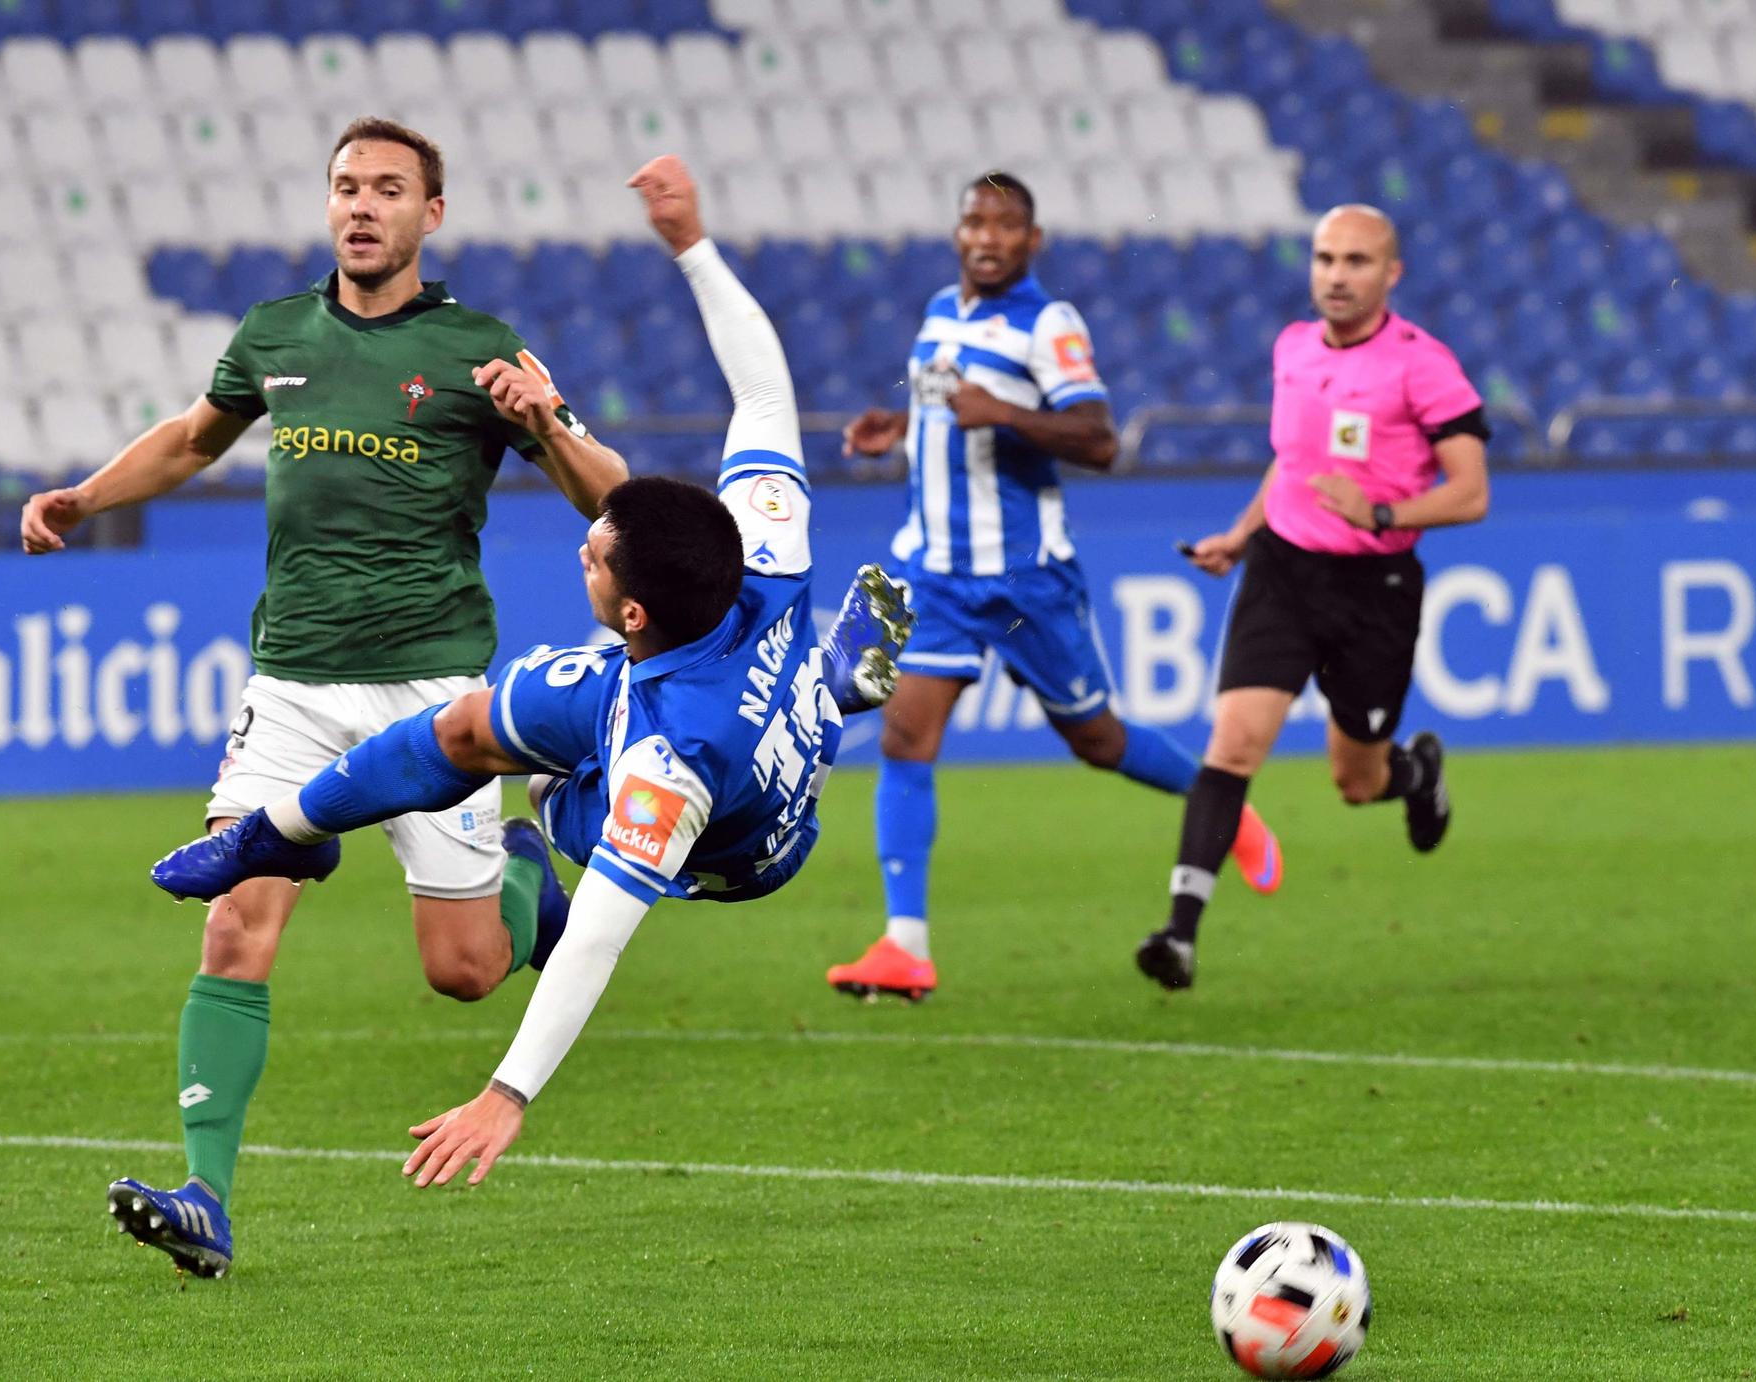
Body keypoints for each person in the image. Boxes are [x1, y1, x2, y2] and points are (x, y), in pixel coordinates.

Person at [120, 155, 912, 1268]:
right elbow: (766, 389)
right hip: (676, 674)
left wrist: (507, 1091)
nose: (581, 542)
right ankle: (262, 883)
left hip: (738, 833)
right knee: (470, 730)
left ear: (633, 610)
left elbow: (596, 940)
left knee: (540, 823)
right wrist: (692, 244)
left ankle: (824, 699)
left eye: (596, 556)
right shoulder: (763, 534)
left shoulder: (665, 765)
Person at [26, 118, 631, 1270]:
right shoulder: (273, 336)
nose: (361, 205)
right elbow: (193, 439)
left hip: (433, 690)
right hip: (294, 681)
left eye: (388, 189)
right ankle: (205, 1193)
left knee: (460, 974)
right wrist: (84, 497)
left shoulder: (478, 348)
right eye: (346, 186)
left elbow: (615, 506)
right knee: (234, 918)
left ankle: (520, 876)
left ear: (429, 216)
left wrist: (542, 419)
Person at [823, 171, 1282, 1004]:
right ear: (957, 232)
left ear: (1032, 241)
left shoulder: (1049, 324)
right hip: (934, 569)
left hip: (1026, 578)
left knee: (1097, 741)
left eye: (1006, 224)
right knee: (903, 737)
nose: (987, 237)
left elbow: (1099, 440)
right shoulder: (940, 312)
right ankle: (905, 945)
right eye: (974, 221)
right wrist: (898, 424)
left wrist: (1003, 413)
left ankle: (1225, 808)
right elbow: (943, 401)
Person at [1134, 204, 1491, 992]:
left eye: (1356, 261)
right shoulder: (1292, 349)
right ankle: (1180, 933)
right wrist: (1239, 533)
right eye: (1326, 258)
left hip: (1376, 588)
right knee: (1232, 746)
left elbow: (1470, 494)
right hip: (1283, 572)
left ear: (1390, 274)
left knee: (1355, 780)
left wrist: (1383, 514)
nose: (1336, 275)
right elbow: (1291, 465)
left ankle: (1416, 773)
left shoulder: (1423, 365)